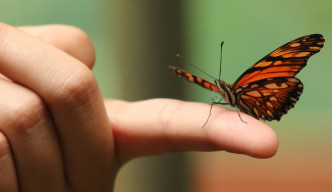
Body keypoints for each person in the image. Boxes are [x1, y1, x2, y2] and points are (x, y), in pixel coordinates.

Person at [0, 23, 278, 191]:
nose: (218, 88)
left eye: (220, 88)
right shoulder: (218, 92)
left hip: (263, 99)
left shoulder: (243, 87)